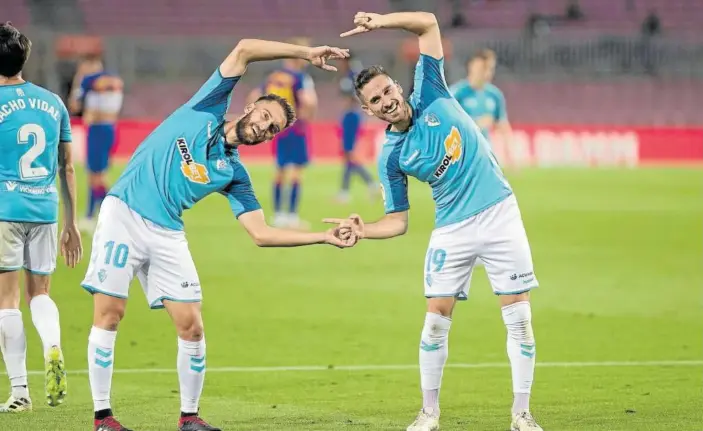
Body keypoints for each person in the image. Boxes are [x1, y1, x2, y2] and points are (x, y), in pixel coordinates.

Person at [80, 38, 353, 431]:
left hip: (167, 230)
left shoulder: (234, 173)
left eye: (271, 129)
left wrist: (323, 238)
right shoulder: (207, 106)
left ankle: (189, 418)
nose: (263, 127)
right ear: (251, 106)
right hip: (123, 212)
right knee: (110, 314)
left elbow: (261, 233)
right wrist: (304, 54)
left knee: (192, 325)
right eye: (264, 116)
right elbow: (242, 49)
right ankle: (103, 418)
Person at [327, 11, 542, 431]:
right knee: (435, 320)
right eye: (375, 100)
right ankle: (429, 413)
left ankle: (522, 414)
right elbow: (398, 221)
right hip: (452, 229)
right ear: (369, 111)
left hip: (500, 213)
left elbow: (427, 23)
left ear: (396, 85)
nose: (386, 100)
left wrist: (381, 22)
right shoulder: (391, 155)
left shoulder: (431, 88)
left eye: (387, 90)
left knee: (519, 318)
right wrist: (364, 229)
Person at [0, 21, 83, 412]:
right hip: (45, 210)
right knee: (41, 295)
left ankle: (20, 392)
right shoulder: (53, 102)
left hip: (5, 210)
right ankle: (52, 344)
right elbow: (67, 166)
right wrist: (71, 223)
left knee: (7, 302)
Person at [247, 37, 317, 229]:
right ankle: (292, 216)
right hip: (296, 127)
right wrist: (307, 117)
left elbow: (254, 96)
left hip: (278, 128)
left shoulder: (274, 76)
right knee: (296, 172)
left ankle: (278, 215)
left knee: (279, 170)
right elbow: (308, 101)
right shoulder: (299, 77)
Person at [68, 55, 124, 233]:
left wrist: (82, 78)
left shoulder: (102, 79)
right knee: (94, 175)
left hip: (102, 129)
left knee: (97, 176)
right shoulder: (88, 86)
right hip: (97, 130)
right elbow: (74, 107)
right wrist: (79, 81)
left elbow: (107, 83)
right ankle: (96, 215)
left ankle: (111, 214)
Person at [450, 49, 513, 152]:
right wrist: (477, 124)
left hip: (483, 151)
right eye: (483, 68)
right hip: (460, 152)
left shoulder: (495, 95)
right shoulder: (456, 93)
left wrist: (509, 152)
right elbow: (447, 125)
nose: (487, 72)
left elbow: (502, 125)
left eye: (490, 68)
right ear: (472, 66)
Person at [335, 55, 376, 203]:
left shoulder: (352, 77)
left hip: (352, 116)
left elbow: (354, 97)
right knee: (348, 155)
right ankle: (345, 191)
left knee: (349, 153)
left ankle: (369, 183)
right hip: (352, 116)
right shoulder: (354, 75)